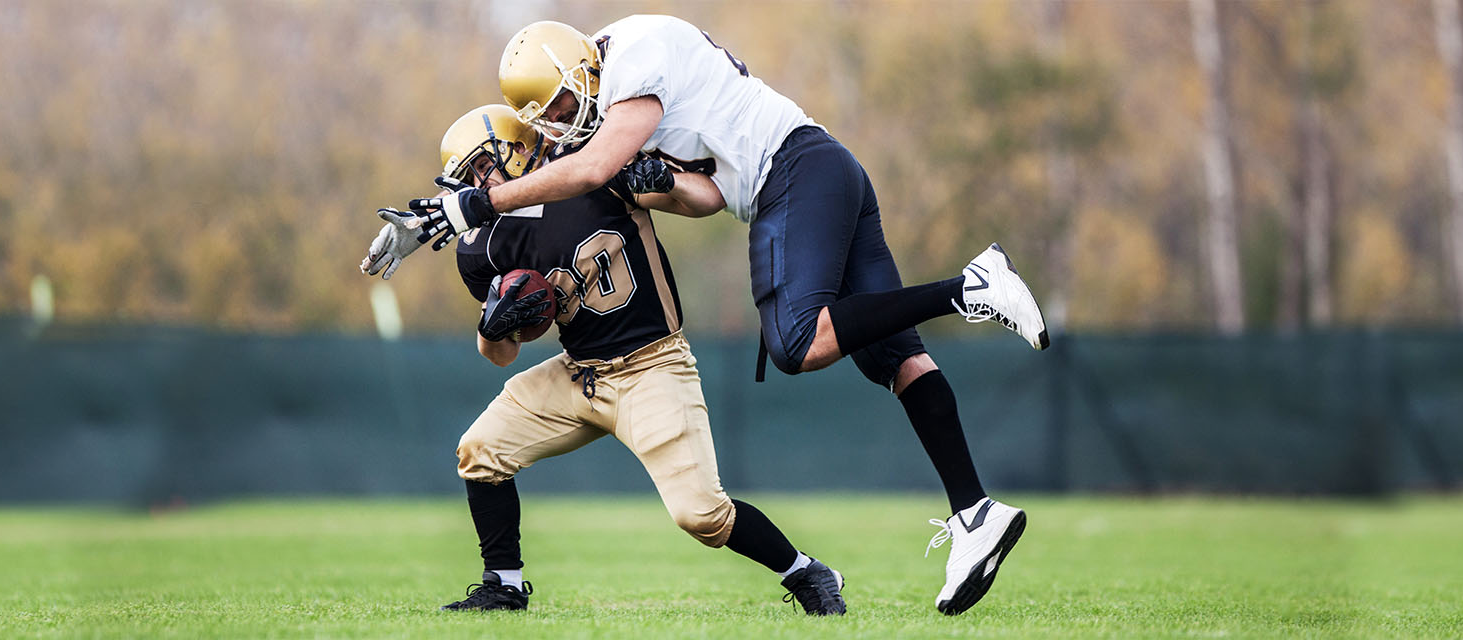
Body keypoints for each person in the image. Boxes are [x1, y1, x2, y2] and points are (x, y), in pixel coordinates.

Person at [399, 17, 1047, 616]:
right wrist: (494, 319)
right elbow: (691, 186)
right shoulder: (587, 128)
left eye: (564, 105)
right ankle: (974, 512)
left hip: (780, 185)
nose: (564, 121)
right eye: (551, 115)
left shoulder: (627, 70)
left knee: (796, 345)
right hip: (802, 183)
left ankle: (969, 287)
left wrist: (479, 204)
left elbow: (600, 167)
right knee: (896, 358)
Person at [362, 104, 847, 615]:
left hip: (652, 365)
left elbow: (706, 200)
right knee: (480, 449)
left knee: (701, 515)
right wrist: (492, 326)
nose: (476, 185)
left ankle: (806, 572)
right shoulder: (480, 246)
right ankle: (504, 585)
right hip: (578, 372)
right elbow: (501, 355)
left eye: (483, 167)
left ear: (519, 147)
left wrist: (669, 180)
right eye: (466, 178)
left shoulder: (590, 169)